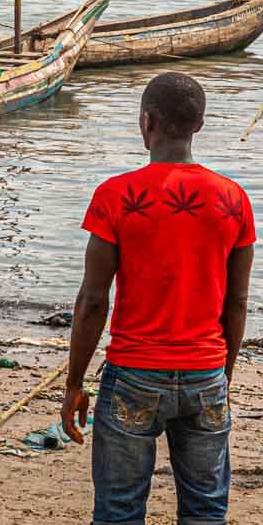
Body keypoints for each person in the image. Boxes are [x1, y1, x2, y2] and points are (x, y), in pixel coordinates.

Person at [61, 73, 255, 525]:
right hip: (205, 372)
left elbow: (93, 301)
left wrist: (74, 382)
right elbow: (237, 302)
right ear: (199, 125)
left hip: (134, 373)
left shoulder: (115, 196)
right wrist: (222, 375)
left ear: (146, 121)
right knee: (205, 511)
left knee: (119, 511)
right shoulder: (234, 199)